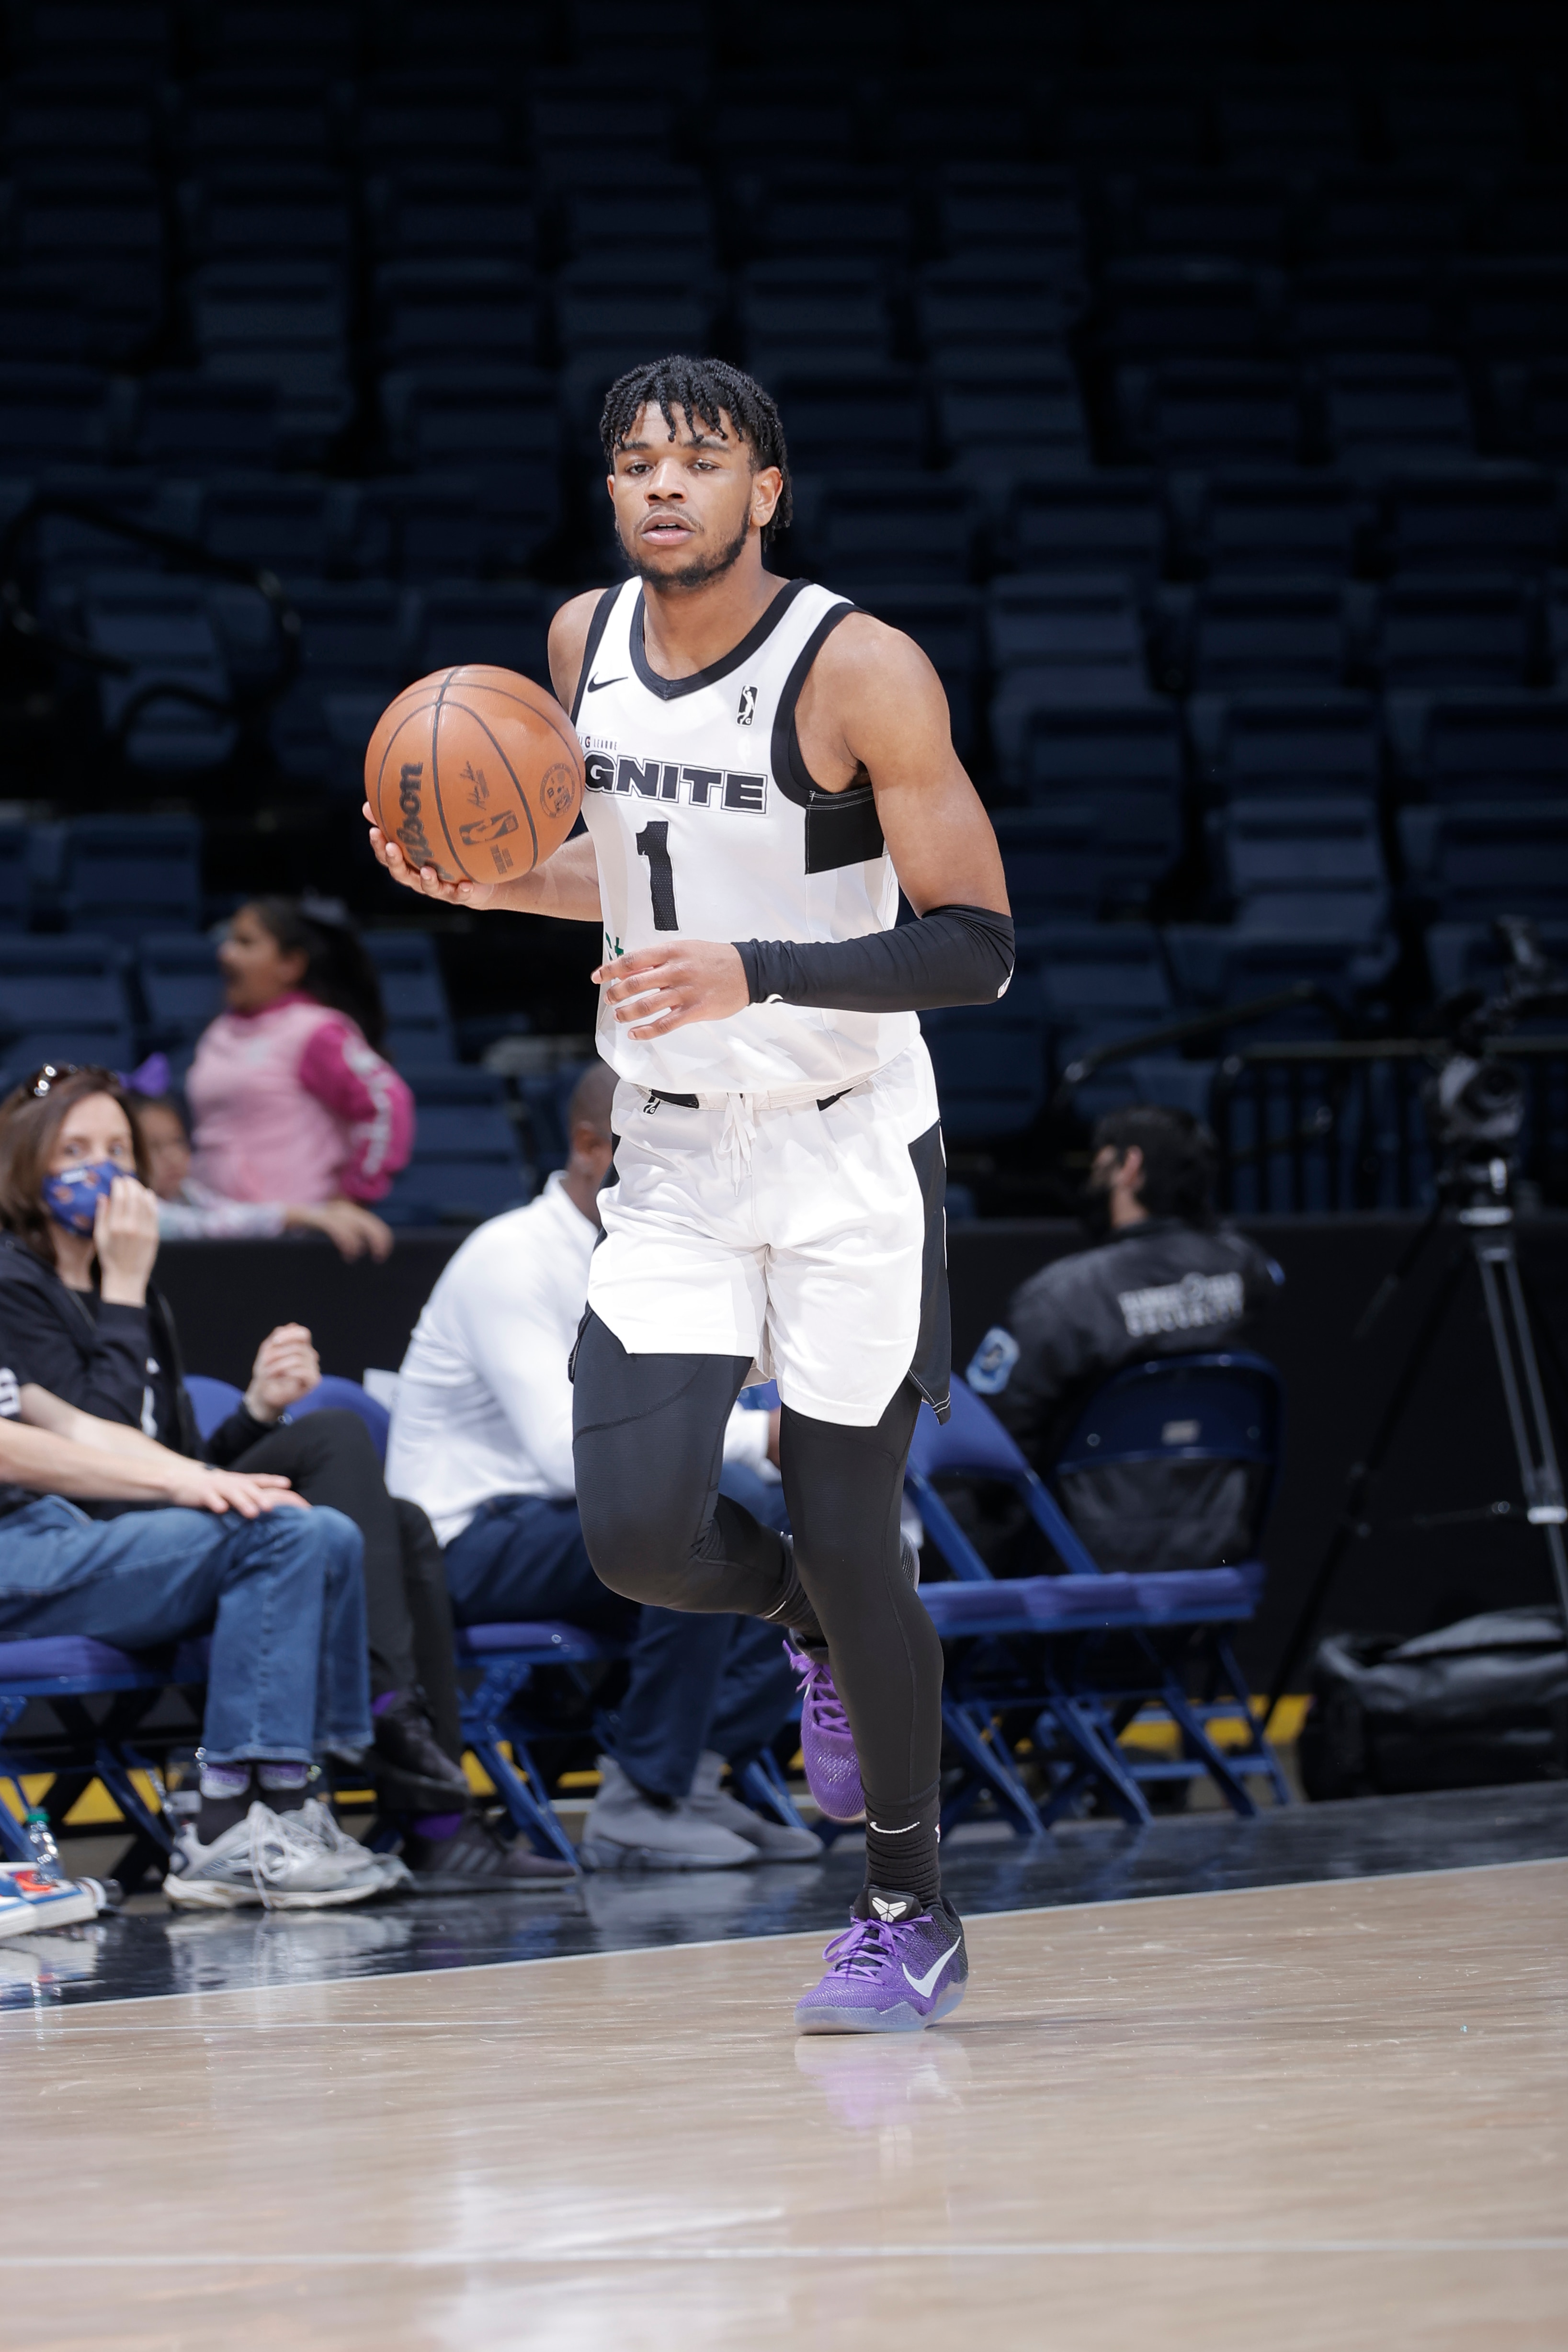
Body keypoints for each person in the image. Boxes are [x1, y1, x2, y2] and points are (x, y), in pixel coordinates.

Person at [368, 354, 1014, 2033]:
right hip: (667, 1141)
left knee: (854, 1529)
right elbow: (635, 873)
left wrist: (761, 968)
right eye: (637, 461)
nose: (665, 485)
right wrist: (489, 876)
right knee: (643, 1538)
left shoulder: (858, 667)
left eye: (701, 459)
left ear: (765, 491)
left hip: (847, 1141)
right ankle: (800, 1612)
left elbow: (974, 941)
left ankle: (906, 1905)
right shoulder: (581, 647)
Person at [0, 1063, 474, 1851]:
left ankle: (423, 1805)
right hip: (72, 1521)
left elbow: (111, 1438)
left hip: (112, 1510)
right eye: (76, 1148)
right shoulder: (29, 1279)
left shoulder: (135, 1283)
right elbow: (71, 1446)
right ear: (26, 1161)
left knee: (396, 1526)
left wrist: (251, 1416)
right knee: (308, 1512)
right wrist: (121, 1285)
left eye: (118, 1147)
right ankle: (273, 1804)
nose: (105, 1169)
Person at [386, 1058, 820, 1871]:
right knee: (705, 1502)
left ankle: (693, 1775)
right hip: (466, 1540)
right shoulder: (508, 1257)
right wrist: (757, 1442)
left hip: (568, 1528)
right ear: (591, 1145)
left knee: (811, 1524)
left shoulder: (658, 1256)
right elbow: (566, 1456)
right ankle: (639, 1800)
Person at [0, 1376, 390, 1910]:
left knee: (326, 1531)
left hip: (47, 1527)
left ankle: (287, 1808)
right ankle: (223, 1827)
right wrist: (173, 1483)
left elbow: (75, 1426)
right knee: (278, 1533)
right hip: (12, 1552)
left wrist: (212, 1477)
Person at [975, 1104, 1282, 1572]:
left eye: (1099, 1163)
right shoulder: (1246, 1272)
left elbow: (988, 1439)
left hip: (1085, 1552)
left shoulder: (1062, 1296)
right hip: (1215, 1544)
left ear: (1128, 1167)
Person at [184, 896, 412, 1241]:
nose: (226, 953)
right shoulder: (218, 1032)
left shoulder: (316, 1030)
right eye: (229, 941)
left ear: (290, 964)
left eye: (246, 943)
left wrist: (354, 1195)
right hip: (222, 1232)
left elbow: (387, 1102)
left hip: (295, 1242)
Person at [133, 1088, 392, 1261]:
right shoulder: (135, 1209)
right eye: (154, 1147)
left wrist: (320, 1212)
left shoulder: (189, 1192)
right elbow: (210, 1226)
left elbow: (226, 1212)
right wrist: (299, 1215)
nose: (172, 1157)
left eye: (178, 1142)